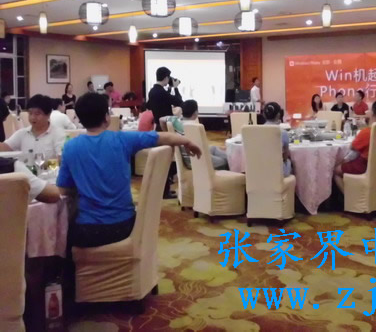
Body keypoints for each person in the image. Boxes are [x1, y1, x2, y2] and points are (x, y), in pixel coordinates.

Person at [57, 93, 201, 248]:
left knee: (61, 235)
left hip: (88, 230)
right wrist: (187, 142)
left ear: (80, 119)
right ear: (106, 117)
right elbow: (163, 137)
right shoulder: (122, 139)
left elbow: (63, 190)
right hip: (124, 225)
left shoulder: (70, 147)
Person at [161, 99, 229, 170]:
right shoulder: (195, 127)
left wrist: (169, 133)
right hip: (194, 159)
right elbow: (200, 148)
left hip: (192, 154)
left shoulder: (175, 120)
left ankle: (231, 159)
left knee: (213, 148)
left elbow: (161, 119)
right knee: (224, 161)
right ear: (195, 112)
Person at [335, 100, 376, 178]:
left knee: (336, 169)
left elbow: (352, 147)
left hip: (364, 167)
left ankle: (350, 185)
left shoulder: (367, 132)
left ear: (372, 113)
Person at [0, 94, 65, 158]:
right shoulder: (23, 133)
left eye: (37, 114)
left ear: (48, 115)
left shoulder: (58, 134)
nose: (32, 117)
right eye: (30, 113)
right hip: (25, 165)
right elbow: (5, 146)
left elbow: (62, 158)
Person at [263, 102, 292, 177]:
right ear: (279, 115)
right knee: (291, 162)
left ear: (264, 114)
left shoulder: (255, 131)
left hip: (257, 171)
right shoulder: (282, 133)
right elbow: (285, 157)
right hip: (277, 173)